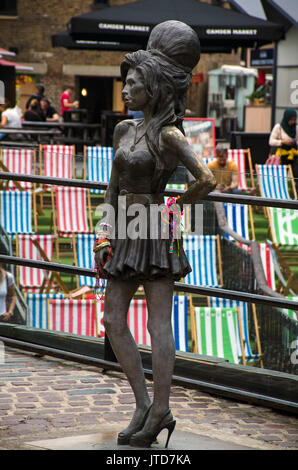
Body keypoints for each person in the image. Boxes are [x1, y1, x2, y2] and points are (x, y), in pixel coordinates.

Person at [94, 20, 216, 448]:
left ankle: (160, 408)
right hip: (125, 230)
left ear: (154, 89)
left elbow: (206, 179)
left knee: (158, 322)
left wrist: (174, 208)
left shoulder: (169, 134)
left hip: (155, 228)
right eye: (124, 83)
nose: (125, 89)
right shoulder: (124, 130)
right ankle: (144, 404)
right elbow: (111, 187)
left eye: (132, 83)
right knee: (112, 318)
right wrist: (103, 231)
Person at [269, 108, 298, 189]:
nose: (292, 122)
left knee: (296, 175)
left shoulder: (296, 128)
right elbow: (271, 141)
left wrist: (294, 142)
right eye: (291, 120)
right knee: (280, 178)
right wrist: (282, 142)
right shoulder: (279, 127)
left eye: (294, 120)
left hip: (293, 156)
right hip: (282, 156)